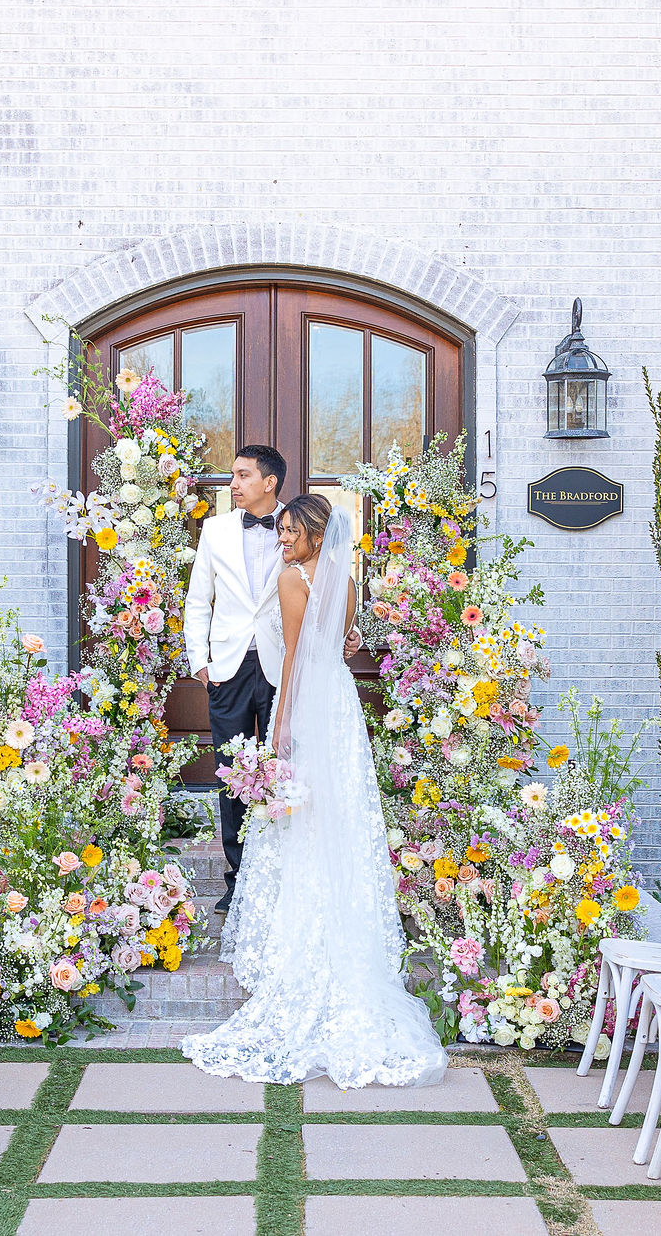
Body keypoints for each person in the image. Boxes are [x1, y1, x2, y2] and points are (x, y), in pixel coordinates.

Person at [181, 496, 448, 1088]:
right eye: (278, 529)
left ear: (314, 533)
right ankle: (343, 932)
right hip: (341, 705)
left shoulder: (290, 579)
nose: (281, 538)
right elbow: (345, 645)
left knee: (302, 822)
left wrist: (278, 735)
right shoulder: (344, 578)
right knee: (340, 817)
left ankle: (307, 943)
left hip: (307, 703)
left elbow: (297, 661)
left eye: (289, 529)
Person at [182, 446, 358, 912]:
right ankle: (239, 876)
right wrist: (198, 659)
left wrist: (346, 634)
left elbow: (325, 595)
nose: (233, 484)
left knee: (291, 770)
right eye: (232, 476)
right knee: (234, 775)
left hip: (287, 667)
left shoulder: (301, 530)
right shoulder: (216, 530)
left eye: (242, 475)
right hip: (228, 666)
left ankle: (284, 872)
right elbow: (199, 597)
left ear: (270, 482)